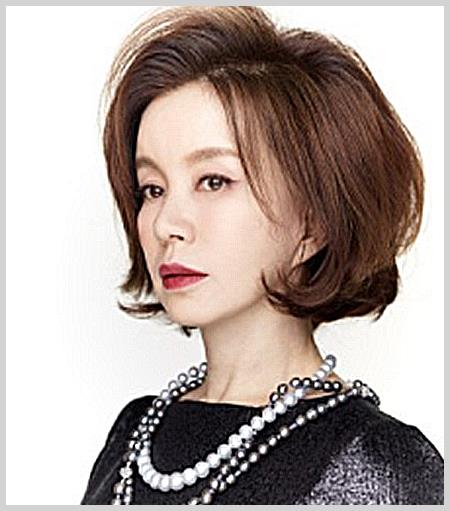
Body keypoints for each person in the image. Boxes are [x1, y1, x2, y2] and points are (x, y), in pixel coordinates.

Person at [80, 6, 443, 505]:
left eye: (214, 181)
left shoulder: (373, 462)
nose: (165, 225)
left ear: (313, 223)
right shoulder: (134, 435)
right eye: (153, 189)